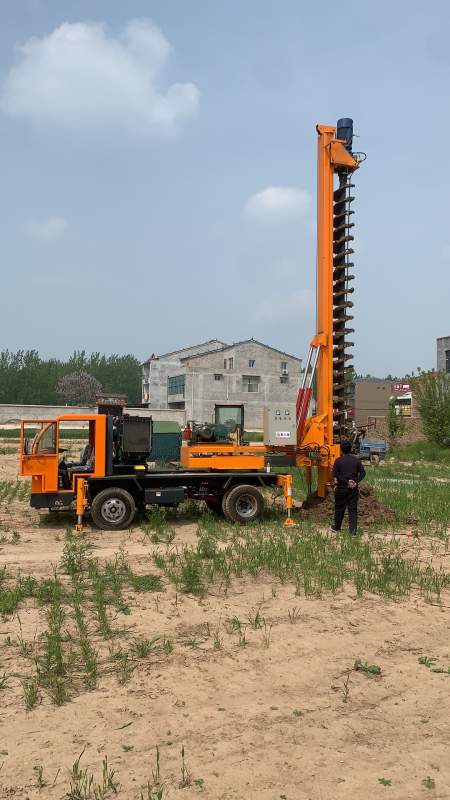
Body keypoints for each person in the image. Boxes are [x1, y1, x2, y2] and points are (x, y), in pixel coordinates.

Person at [331, 440, 366, 535]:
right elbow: (363, 473)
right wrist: (355, 482)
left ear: (341, 450)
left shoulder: (338, 461)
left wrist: (346, 481)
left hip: (341, 488)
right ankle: (353, 531)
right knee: (353, 509)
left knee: (339, 508)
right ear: (351, 449)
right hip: (353, 489)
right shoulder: (356, 460)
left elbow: (335, 474)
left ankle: (337, 528)